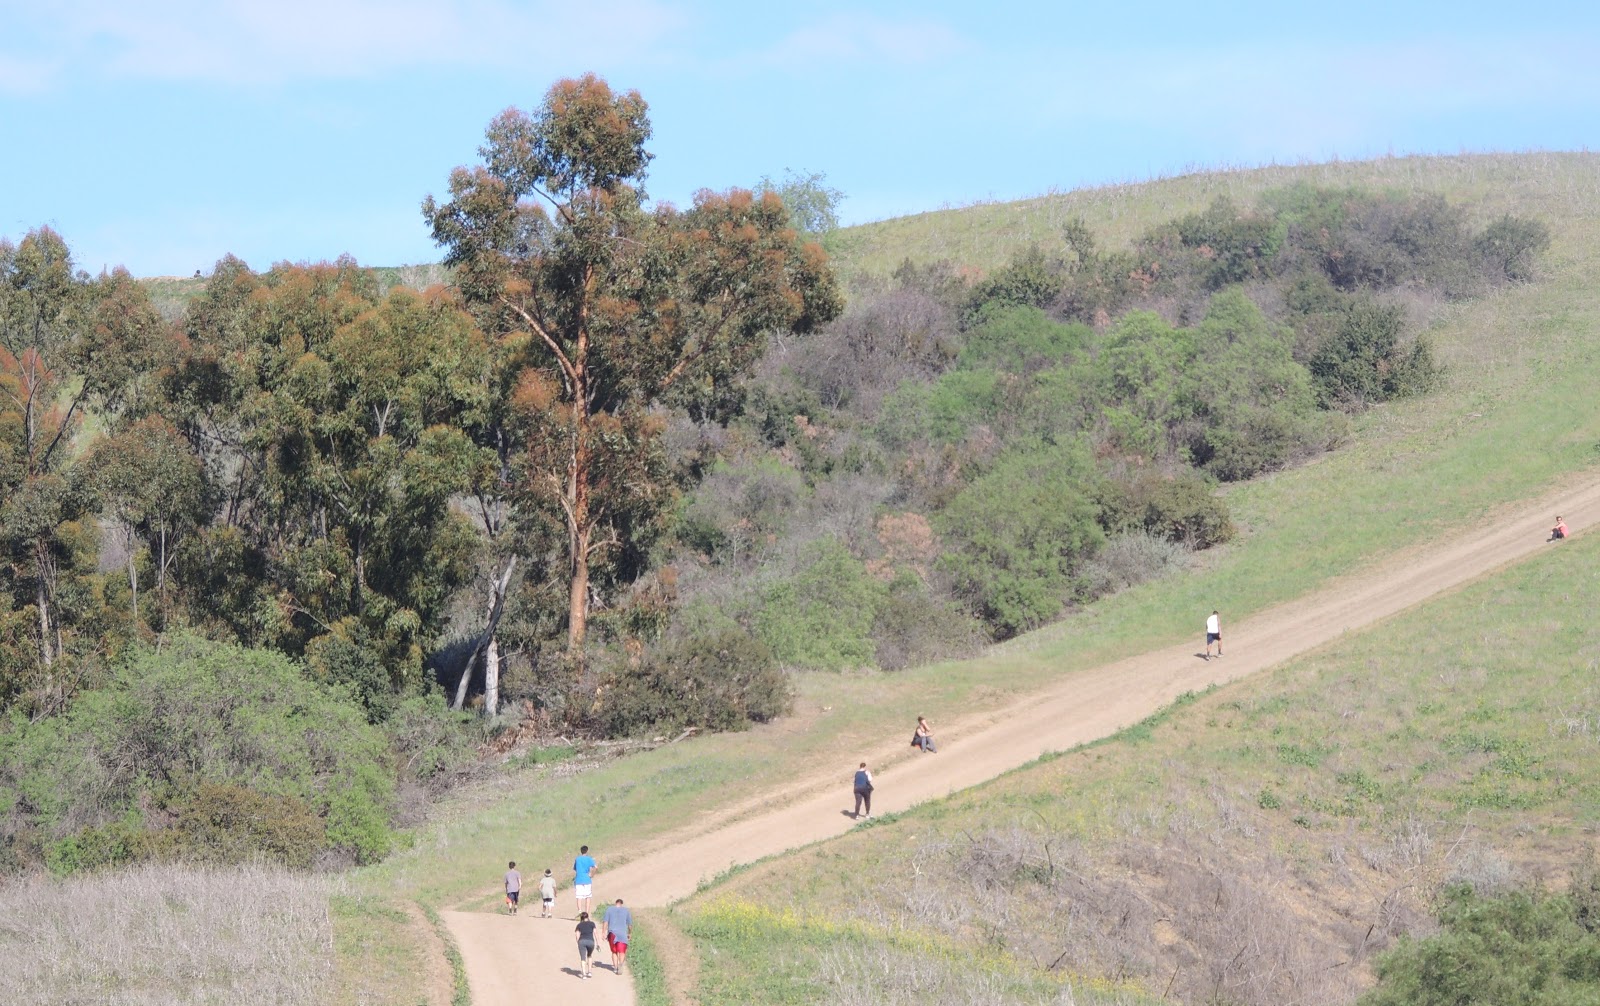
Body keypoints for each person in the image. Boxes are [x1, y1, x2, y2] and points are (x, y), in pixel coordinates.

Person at [602, 897, 633, 973]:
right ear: (621, 904)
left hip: (612, 933)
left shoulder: (609, 909)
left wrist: (603, 932)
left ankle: (615, 968)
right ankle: (621, 964)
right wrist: (629, 933)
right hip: (622, 934)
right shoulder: (626, 911)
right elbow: (630, 924)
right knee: (622, 951)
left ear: (615, 903)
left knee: (614, 952)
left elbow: (605, 922)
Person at [573, 845, 597, 916]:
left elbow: (575, 868)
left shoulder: (577, 859)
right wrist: (592, 874)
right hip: (587, 879)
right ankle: (586, 913)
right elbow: (595, 867)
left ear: (581, 851)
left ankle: (580, 912)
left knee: (579, 897)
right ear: (587, 851)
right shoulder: (589, 859)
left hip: (579, 879)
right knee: (588, 897)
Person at [574, 912, 597, 978]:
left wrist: (578, 942)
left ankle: (584, 974)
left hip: (582, 941)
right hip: (591, 941)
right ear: (588, 916)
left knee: (583, 958)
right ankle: (589, 972)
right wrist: (598, 943)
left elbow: (577, 935)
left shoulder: (579, 925)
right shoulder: (592, 924)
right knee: (589, 956)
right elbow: (595, 933)